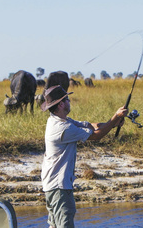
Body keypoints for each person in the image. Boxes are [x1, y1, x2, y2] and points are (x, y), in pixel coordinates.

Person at [40, 85, 128, 228]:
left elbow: (90, 126)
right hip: (59, 186)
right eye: (67, 99)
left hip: (51, 184)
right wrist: (116, 117)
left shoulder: (60, 120)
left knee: (54, 226)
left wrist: (112, 123)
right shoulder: (63, 128)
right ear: (61, 104)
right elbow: (96, 136)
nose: (69, 101)